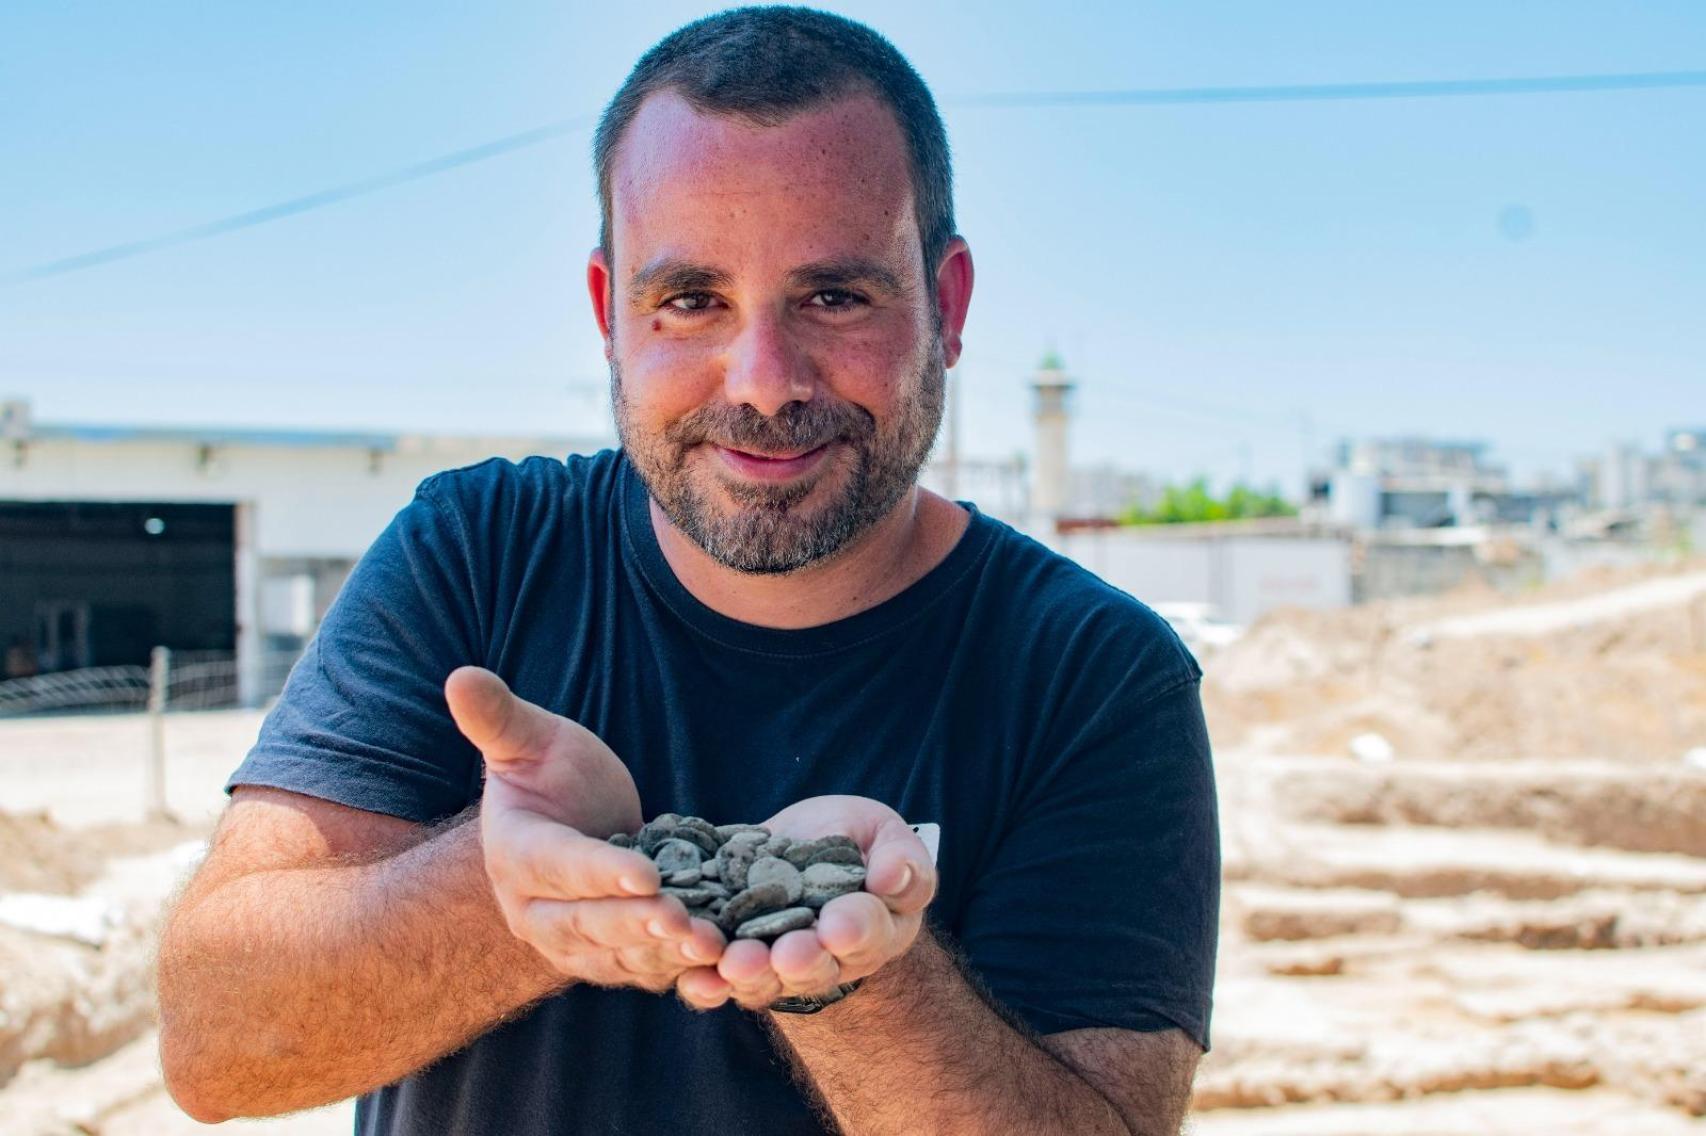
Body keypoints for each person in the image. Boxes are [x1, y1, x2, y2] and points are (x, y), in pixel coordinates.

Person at [156, 8, 1219, 1134]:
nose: (760, 382)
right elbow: (216, 1046)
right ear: (609, 315)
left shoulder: (1095, 676)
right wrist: (509, 891)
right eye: (690, 300)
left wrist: (849, 965)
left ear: (945, 308)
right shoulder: (475, 553)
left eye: (833, 296)